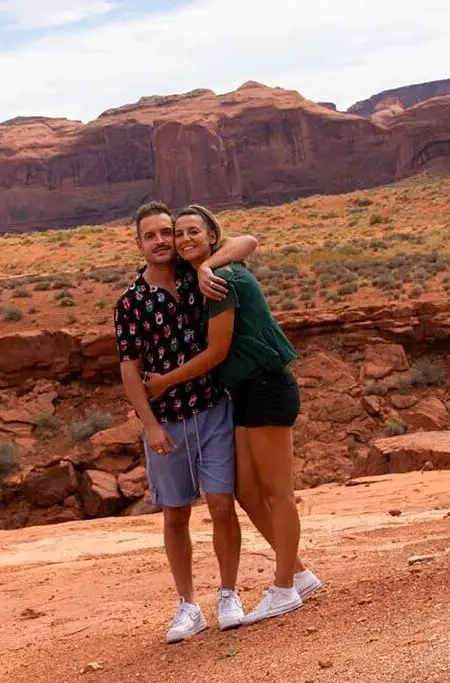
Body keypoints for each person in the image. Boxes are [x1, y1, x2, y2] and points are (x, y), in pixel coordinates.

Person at [143, 204, 322, 627]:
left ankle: (283, 590)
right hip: (243, 393)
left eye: (194, 232)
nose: (185, 239)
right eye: (178, 233)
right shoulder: (202, 273)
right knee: (245, 491)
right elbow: (245, 243)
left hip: (265, 387)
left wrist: (165, 381)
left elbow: (218, 351)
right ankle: (298, 571)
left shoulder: (222, 279)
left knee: (277, 492)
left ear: (211, 235)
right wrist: (205, 264)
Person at [113, 200, 259, 644]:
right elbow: (129, 370)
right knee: (175, 514)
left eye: (167, 233)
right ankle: (187, 605)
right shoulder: (130, 303)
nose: (162, 241)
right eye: (152, 235)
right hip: (168, 422)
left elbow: (247, 240)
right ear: (139, 244)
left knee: (221, 506)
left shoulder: (197, 275)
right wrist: (150, 425)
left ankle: (229, 594)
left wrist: (204, 266)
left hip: (213, 409)